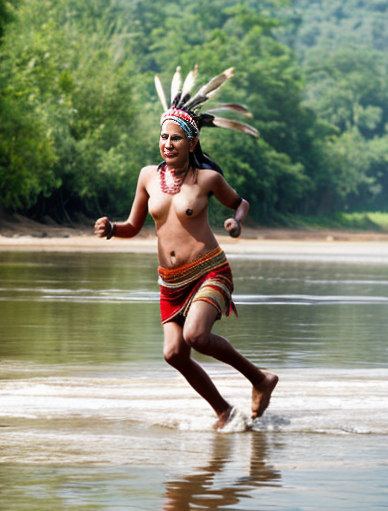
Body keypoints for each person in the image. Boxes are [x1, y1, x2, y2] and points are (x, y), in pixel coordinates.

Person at [94, 66, 278, 429]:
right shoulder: (148, 176)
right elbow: (134, 226)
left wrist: (236, 223)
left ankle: (259, 379)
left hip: (209, 270)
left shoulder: (208, 179)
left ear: (192, 143)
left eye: (175, 138)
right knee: (174, 353)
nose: (167, 144)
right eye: (163, 137)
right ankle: (224, 412)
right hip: (170, 281)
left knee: (196, 336)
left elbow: (241, 203)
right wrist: (113, 229)